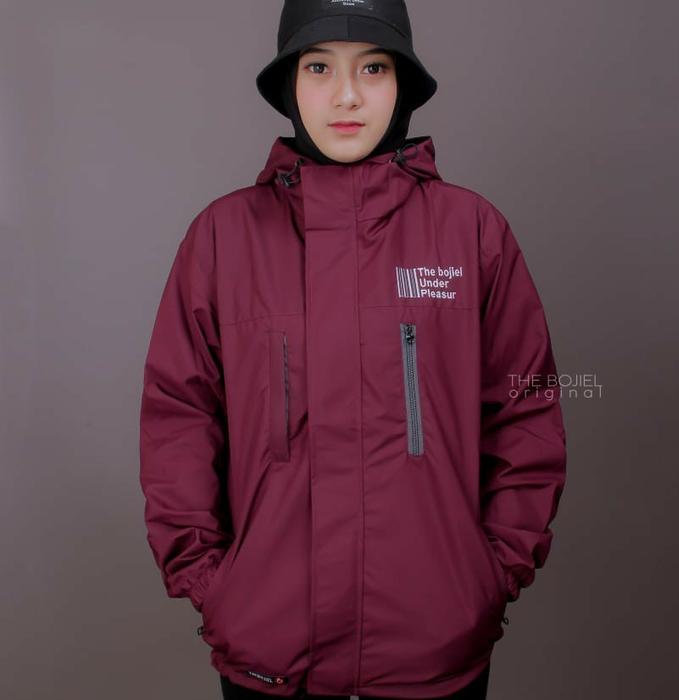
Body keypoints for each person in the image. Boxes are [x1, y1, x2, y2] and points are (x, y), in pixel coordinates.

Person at [138, 2, 567, 699]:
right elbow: (178, 416)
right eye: (318, 68)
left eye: (373, 68)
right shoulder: (222, 238)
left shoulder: (472, 232)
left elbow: (528, 405)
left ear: (403, 84)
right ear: (289, 84)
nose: (346, 96)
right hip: (269, 645)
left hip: (434, 643)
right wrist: (216, 584)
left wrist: (488, 574)